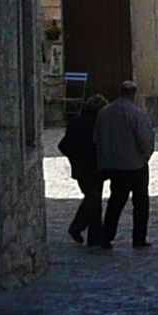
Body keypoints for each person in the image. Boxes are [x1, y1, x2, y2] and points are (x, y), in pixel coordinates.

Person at [91, 81, 155, 248]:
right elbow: (145, 139)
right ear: (133, 94)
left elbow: (96, 138)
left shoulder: (104, 112)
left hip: (114, 165)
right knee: (140, 204)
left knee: (115, 203)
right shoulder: (136, 113)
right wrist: (145, 157)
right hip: (135, 165)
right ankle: (138, 238)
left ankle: (106, 237)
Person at [58, 97, 103, 247]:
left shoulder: (75, 123)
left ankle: (93, 236)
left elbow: (63, 145)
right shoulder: (98, 125)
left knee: (93, 199)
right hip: (95, 167)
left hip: (82, 168)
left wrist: (74, 158)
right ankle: (78, 227)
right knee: (93, 198)